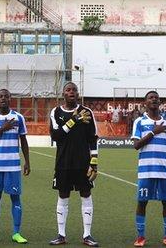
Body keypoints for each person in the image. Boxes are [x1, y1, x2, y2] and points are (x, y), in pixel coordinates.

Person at [49, 82, 99, 246]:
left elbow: (93, 138)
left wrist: (94, 162)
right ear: (63, 93)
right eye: (68, 90)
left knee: (86, 194)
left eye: (74, 90)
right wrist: (74, 120)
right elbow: (56, 136)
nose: (72, 92)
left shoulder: (87, 112)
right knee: (63, 195)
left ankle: (87, 235)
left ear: (78, 94)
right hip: (63, 162)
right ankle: (61, 235)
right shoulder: (56, 112)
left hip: (83, 163)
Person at [131, 91, 166, 248]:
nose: (154, 99)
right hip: (146, 170)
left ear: (160, 103)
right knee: (142, 203)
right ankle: (140, 237)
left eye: (156, 98)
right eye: (150, 97)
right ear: (145, 103)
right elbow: (136, 145)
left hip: (165, 171)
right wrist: (154, 131)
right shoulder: (139, 121)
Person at [0, 89, 30, 244]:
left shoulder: (18, 117)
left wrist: (27, 161)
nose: (3, 99)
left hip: (13, 166)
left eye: (6, 96)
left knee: (15, 198)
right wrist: (3, 128)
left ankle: (16, 233)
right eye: (0, 96)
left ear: (11, 99)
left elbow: (23, 141)